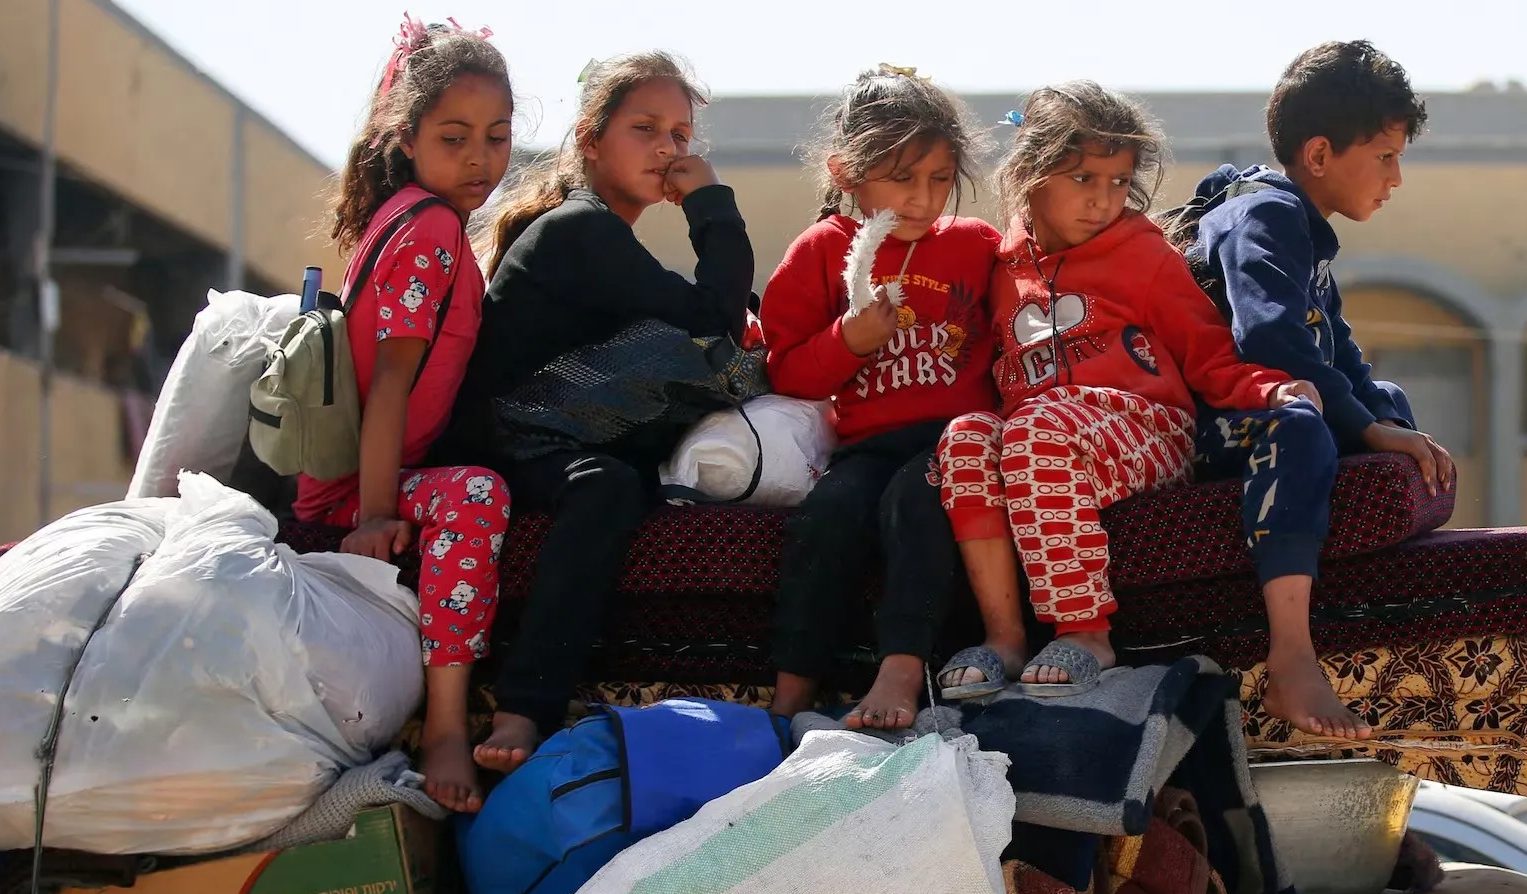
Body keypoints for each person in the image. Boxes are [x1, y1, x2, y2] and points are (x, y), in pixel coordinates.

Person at [934, 83, 1320, 700]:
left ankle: (1086, 632)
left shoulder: (1145, 257)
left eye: (1118, 181)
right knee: (965, 438)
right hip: (1042, 434)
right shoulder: (1001, 267)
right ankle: (1005, 637)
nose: (1103, 199)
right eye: (1083, 178)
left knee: (1038, 425)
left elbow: (1208, 354)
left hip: (1147, 432)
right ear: (1031, 173)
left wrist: (1270, 390)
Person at [458, 52, 754, 770]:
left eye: (681, 136)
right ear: (591, 140)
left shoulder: (603, 233)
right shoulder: (579, 230)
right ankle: (523, 707)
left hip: (557, 433)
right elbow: (715, 317)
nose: (668, 150)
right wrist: (712, 201)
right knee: (609, 487)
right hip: (507, 441)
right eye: (645, 129)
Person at [1173, 40, 1453, 741]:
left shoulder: (1304, 228)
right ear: (1320, 154)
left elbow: (1339, 351)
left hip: (1268, 412)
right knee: (1301, 423)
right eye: (1385, 157)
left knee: (1388, 402)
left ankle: (1376, 592)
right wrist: (1364, 427)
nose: (1396, 178)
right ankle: (1291, 657)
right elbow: (1270, 340)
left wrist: (1382, 420)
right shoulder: (1261, 215)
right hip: (1210, 426)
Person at [293, 17, 514, 813]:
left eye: (497, 137)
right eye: (454, 138)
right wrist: (374, 514)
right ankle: (447, 724)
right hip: (355, 484)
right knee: (478, 495)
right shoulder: (430, 228)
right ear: (408, 138)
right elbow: (390, 383)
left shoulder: (417, 216)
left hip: (376, 466)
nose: (480, 158)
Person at [760, 68, 998, 729]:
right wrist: (849, 340)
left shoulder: (976, 246)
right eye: (902, 178)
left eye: (941, 178)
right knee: (828, 516)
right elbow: (787, 371)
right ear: (847, 172)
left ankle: (901, 668)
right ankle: (790, 691)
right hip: (866, 445)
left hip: (957, 442)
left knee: (916, 501)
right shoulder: (822, 250)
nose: (923, 198)